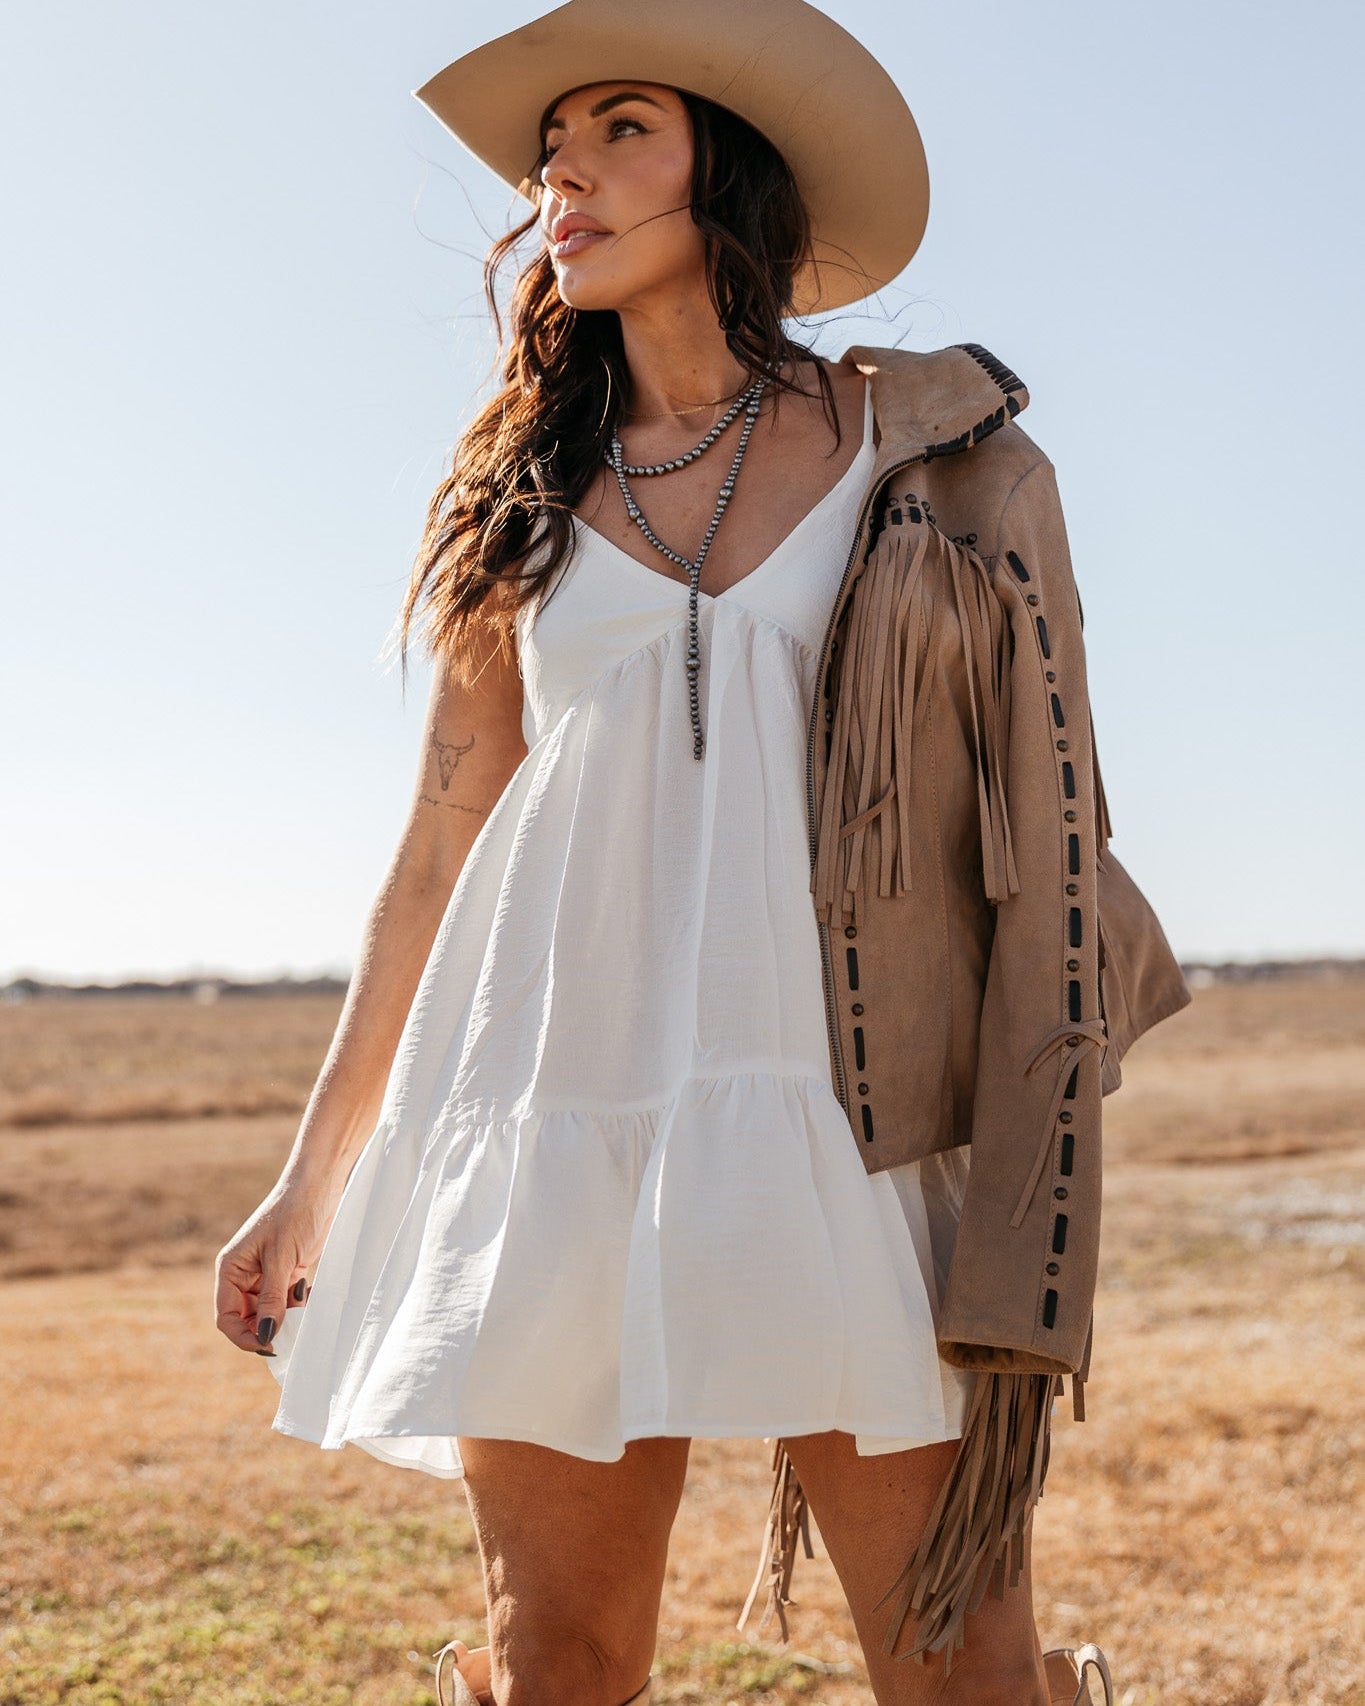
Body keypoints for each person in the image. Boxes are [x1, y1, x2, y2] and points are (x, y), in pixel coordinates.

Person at [214, 3, 1188, 1703]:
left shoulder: (927, 454)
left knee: (961, 1658)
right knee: (560, 1663)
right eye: (548, 152)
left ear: (725, 172)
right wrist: (312, 1179)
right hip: (552, 1106)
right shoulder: (516, 498)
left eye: (617, 129)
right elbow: (438, 850)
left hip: (847, 1110)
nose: (561, 173)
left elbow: (1050, 804)